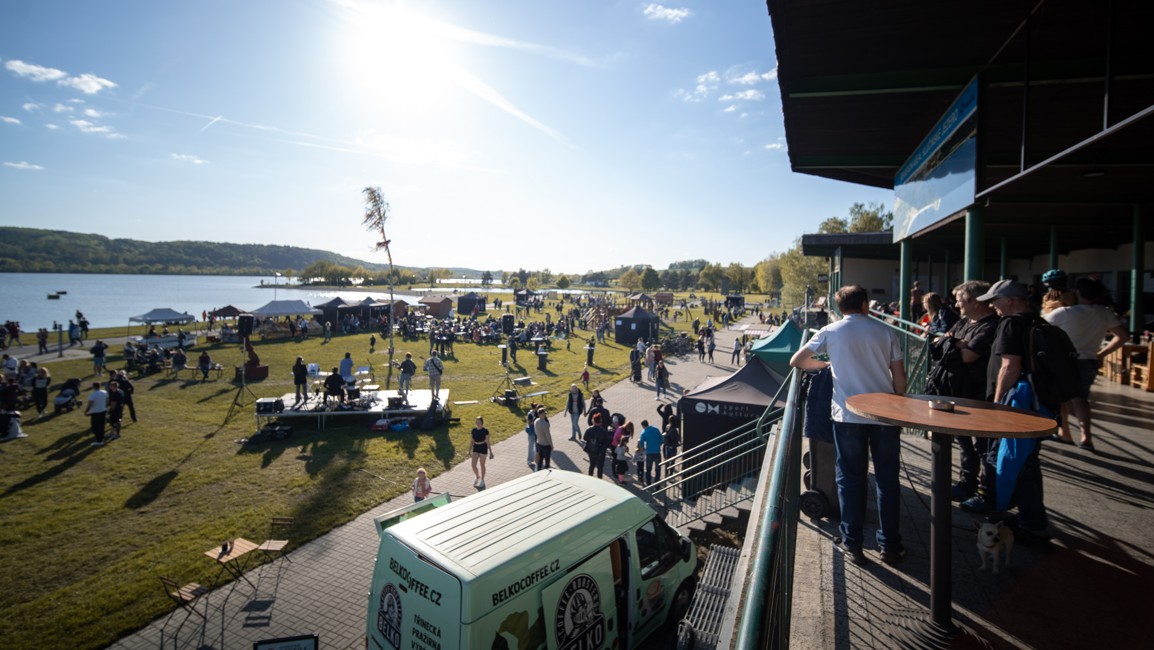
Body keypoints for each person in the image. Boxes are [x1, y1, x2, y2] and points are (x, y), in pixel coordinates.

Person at [790, 284, 907, 566]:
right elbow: (899, 378)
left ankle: (853, 544)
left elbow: (798, 361)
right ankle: (890, 546)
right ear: (866, 305)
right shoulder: (886, 331)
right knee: (887, 480)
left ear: (840, 308)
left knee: (850, 479)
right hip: (884, 415)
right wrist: (899, 405)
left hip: (848, 416)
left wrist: (828, 361)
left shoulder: (830, 331)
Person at [972, 279, 1051, 544]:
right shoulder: (1039, 322)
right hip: (1038, 403)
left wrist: (997, 405)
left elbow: (1010, 366)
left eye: (995, 301)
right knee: (1028, 462)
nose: (992, 306)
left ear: (1009, 301)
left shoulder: (1011, 324)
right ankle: (1029, 517)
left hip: (1016, 404)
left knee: (1014, 462)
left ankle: (1032, 524)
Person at [931, 281, 999, 503]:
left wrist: (950, 344)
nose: (957, 305)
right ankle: (967, 483)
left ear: (976, 302)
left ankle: (987, 492)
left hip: (979, 394)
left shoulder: (991, 326)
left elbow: (969, 356)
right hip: (956, 391)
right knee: (963, 442)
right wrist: (955, 343)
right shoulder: (963, 321)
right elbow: (938, 343)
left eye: (960, 301)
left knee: (983, 445)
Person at [1043, 278, 1129, 449]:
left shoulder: (1064, 312)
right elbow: (1123, 336)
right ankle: (1086, 438)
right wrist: (1102, 354)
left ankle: (1065, 434)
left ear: (1078, 292)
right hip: (1089, 359)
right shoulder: (1104, 312)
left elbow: (1038, 324)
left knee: (1061, 399)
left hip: (1065, 360)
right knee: (1081, 398)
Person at [583, 413, 610, 479]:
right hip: (600, 452)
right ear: (600, 421)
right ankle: (599, 480)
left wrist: (591, 440)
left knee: (592, 465)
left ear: (593, 421)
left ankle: (590, 478)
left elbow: (585, 438)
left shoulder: (589, 429)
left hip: (591, 450)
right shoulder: (603, 431)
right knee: (600, 467)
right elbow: (607, 442)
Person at [639, 419, 663, 486]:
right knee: (658, 469)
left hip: (649, 453)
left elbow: (641, 442)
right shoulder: (656, 429)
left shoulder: (644, 432)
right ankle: (657, 485)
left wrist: (643, 449)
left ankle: (648, 483)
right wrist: (658, 445)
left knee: (648, 469)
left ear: (643, 426)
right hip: (657, 452)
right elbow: (662, 439)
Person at [470, 417, 492, 488]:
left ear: (482, 423)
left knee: (482, 465)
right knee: (473, 465)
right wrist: (469, 450)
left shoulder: (485, 431)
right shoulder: (474, 430)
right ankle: (477, 476)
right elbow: (472, 441)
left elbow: (488, 441)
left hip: (483, 448)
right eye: (477, 422)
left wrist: (491, 452)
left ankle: (482, 480)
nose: (478, 424)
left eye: (479, 422)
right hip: (476, 448)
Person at [84, 382, 108, 447]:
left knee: (95, 427)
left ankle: (99, 440)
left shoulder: (93, 395)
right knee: (101, 425)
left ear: (93, 387)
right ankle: (102, 437)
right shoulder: (104, 392)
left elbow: (90, 404)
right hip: (103, 410)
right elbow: (107, 399)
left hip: (95, 412)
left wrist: (86, 411)